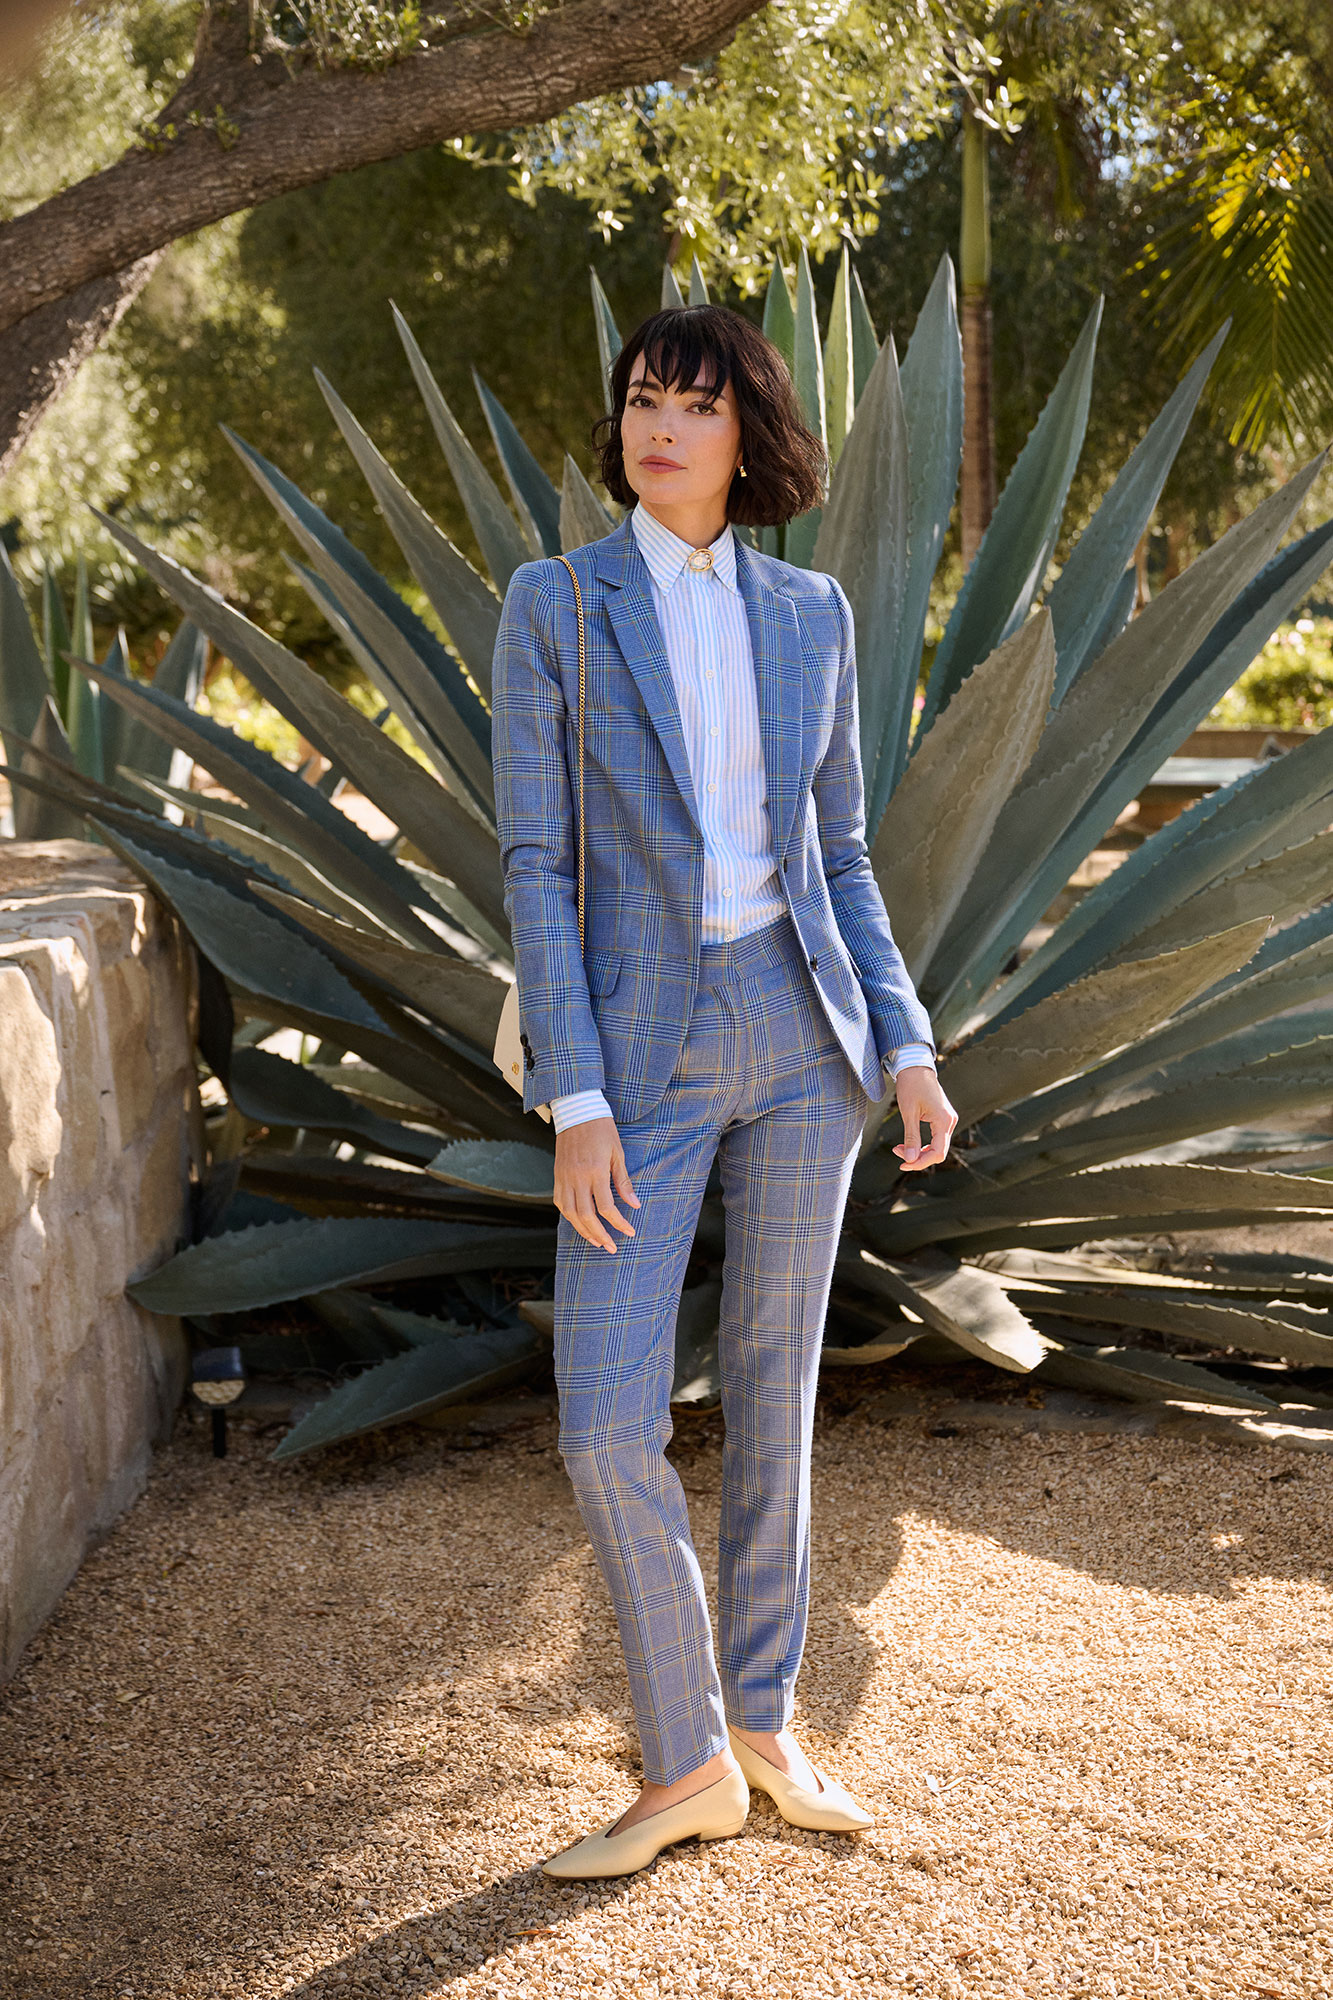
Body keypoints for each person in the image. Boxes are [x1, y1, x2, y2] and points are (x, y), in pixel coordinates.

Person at [491, 303, 957, 1879]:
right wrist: (578, 1100)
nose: (659, 427)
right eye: (639, 400)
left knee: (772, 1398)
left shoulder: (811, 612)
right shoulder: (555, 603)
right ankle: (681, 1753)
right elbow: (537, 863)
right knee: (606, 1419)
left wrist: (902, 1043)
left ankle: (760, 1726)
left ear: (745, 434)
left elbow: (838, 855)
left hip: (801, 1037)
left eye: (693, 404)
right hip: (636, 1060)